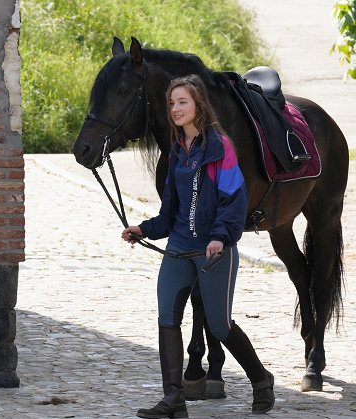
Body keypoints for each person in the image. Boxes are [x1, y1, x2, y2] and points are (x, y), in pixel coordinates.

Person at [122, 74, 275, 418]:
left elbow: (234, 199)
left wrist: (220, 236)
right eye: (172, 103)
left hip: (214, 252)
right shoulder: (177, 151)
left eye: (182, 102)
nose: (175, 109)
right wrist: (143, 229)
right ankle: (173, 399)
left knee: (220, 326)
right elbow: (171, 211)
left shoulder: (220, 147)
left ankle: (261, 379)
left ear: (198, 105)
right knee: (167, 319)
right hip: (178, 249)